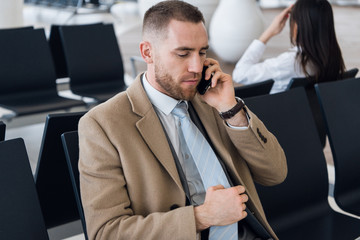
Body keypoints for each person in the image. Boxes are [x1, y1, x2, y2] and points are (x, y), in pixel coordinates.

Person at [78, 1, 287, 239]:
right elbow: (106, 232)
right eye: (183, 53)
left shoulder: (214, 102)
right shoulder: (102, 125)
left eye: (202, 52)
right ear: (148, 52)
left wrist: (230, 109)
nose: (197, 67)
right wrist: (202, 217)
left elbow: (275, 173)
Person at [232, 0, 345, 94]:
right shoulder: (333, 57)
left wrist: (269, 32)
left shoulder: (288, 63)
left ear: (296, 26)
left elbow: (239, 74)